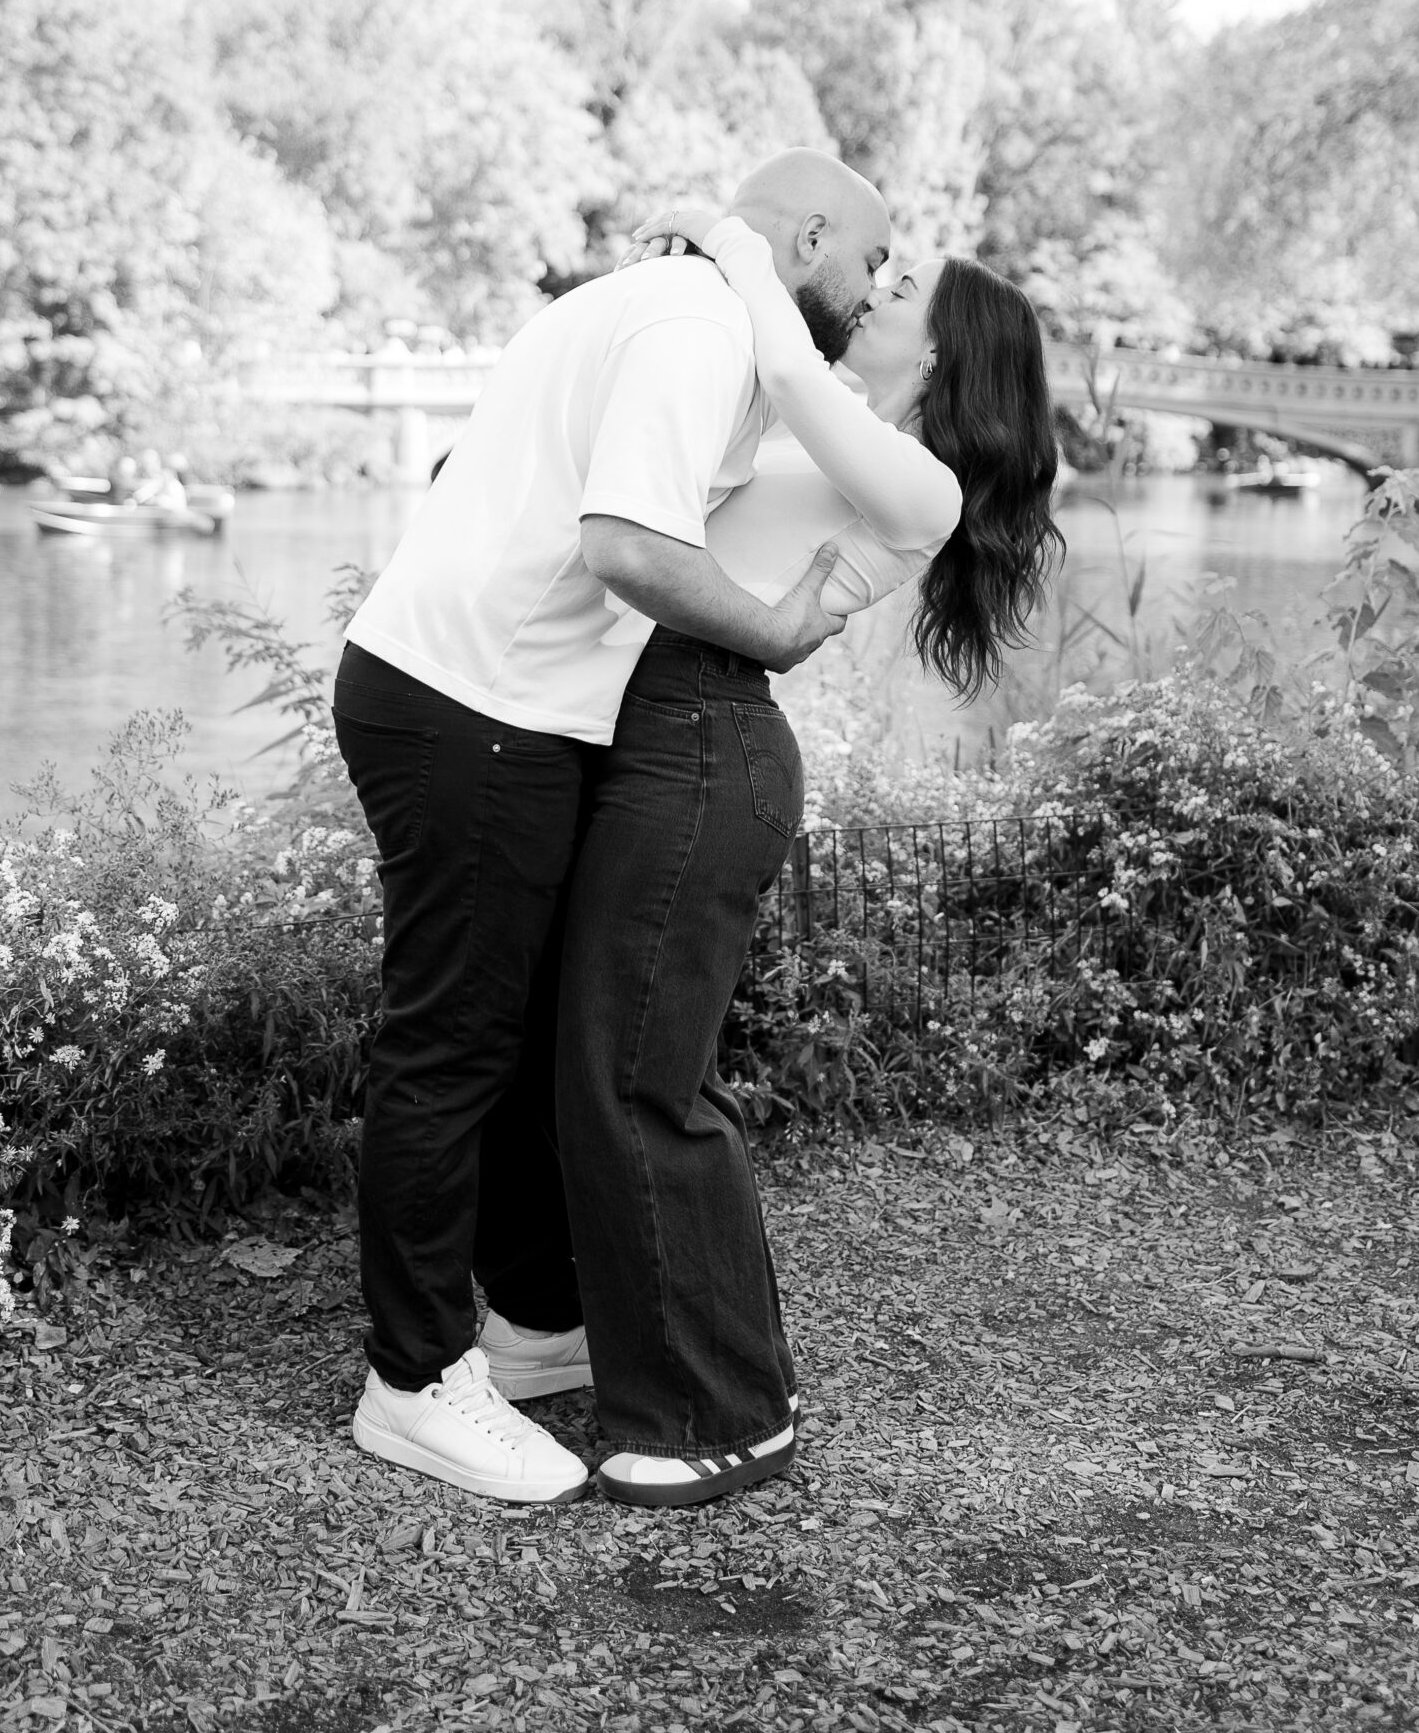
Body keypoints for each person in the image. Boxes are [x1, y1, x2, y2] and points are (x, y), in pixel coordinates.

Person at [331, 151, 891, 1506]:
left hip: (474, 690)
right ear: (805, 234)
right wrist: (778, 633)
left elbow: (483, 468)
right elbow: (628, 543)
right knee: (454, 1042)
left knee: (509, 1037)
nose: (876, 293)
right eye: (870, 261)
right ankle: (414, 1383)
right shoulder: (694, 331)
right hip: (473, 704)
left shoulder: (656, 304)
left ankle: (527, 1322)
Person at [554, 208, 1062, 1506]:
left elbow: (781, 366)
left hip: (711, 741)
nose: (875, 293)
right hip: (654, 722)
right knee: (608, 1068)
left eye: (903, 295)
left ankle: (728, 1414)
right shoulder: (828, 411)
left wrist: (736, 235)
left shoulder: (918, 480)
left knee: (644, 1083)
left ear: (947, 361)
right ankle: (610, 1343)